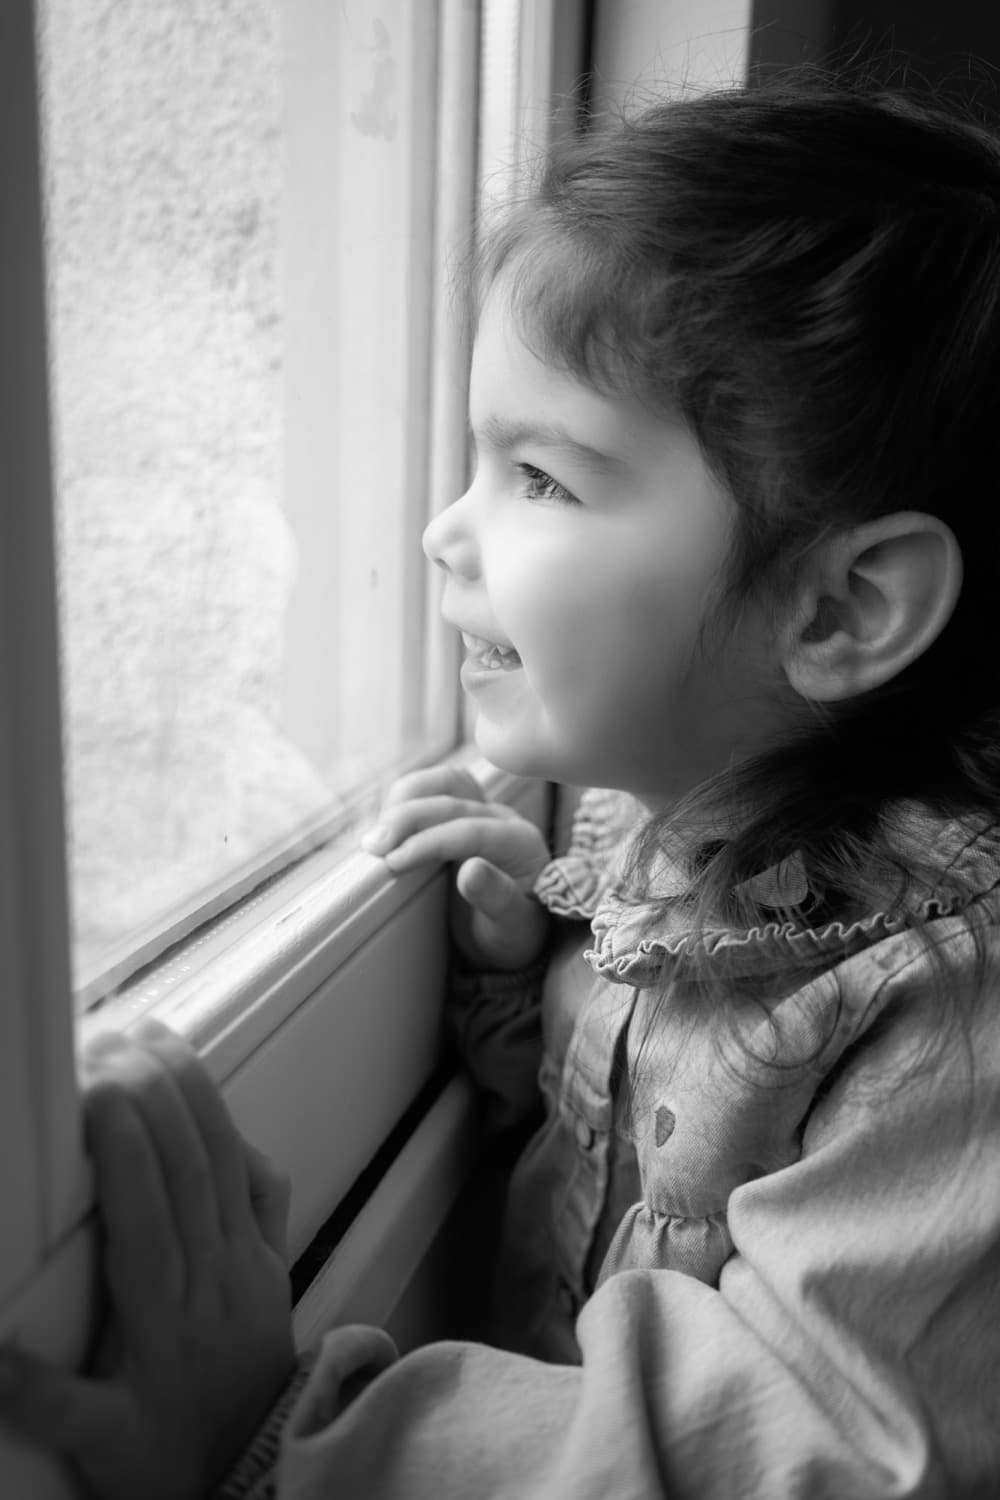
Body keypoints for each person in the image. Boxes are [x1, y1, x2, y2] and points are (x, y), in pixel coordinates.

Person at [4, 69, 1000, 1498]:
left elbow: (803, 1458)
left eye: (540, 477)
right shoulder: (686, 854)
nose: (436, 532)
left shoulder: (944, 1023)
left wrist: (288, 1428)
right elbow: (662, 1176)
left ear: (839, 612)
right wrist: (537, 991)